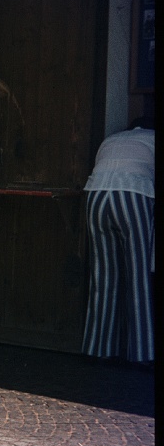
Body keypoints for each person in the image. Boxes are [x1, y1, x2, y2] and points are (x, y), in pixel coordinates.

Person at [81, 116, 155, 366]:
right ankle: (143, 354)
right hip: (134, 195)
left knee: (103, 277)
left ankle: (98, 349)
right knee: (139, 278)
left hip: (95, 195)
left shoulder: (111, 139)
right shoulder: (153, 139)